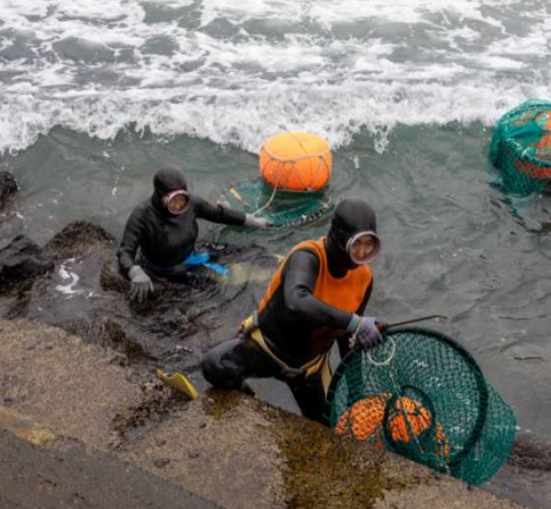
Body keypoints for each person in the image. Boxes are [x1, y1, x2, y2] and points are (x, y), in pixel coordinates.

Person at [200, 197, 384, 423]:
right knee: (214, 365)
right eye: (356, 244)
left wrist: (356, 390)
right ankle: (248, 399)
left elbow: (348, 337)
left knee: (325, 425)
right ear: (337, 236)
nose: (363, 253)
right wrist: (355, 322)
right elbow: (296, 301)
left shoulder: (364, 278)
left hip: (308, 369)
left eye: (369, 245)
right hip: (267, 349)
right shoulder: (307, 256)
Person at [117, 164, 271, 302]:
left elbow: (218, 214)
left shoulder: (191, 204)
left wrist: (250, 220)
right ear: (160, 196)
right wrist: (134, 271)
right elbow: (125, 252)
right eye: (173, 201)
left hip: (194, 253)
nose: (178, 205)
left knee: (254, 252)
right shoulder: (142, 215)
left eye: (182, 198)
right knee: (220, 288)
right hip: (167, 270)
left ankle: (272, 269)